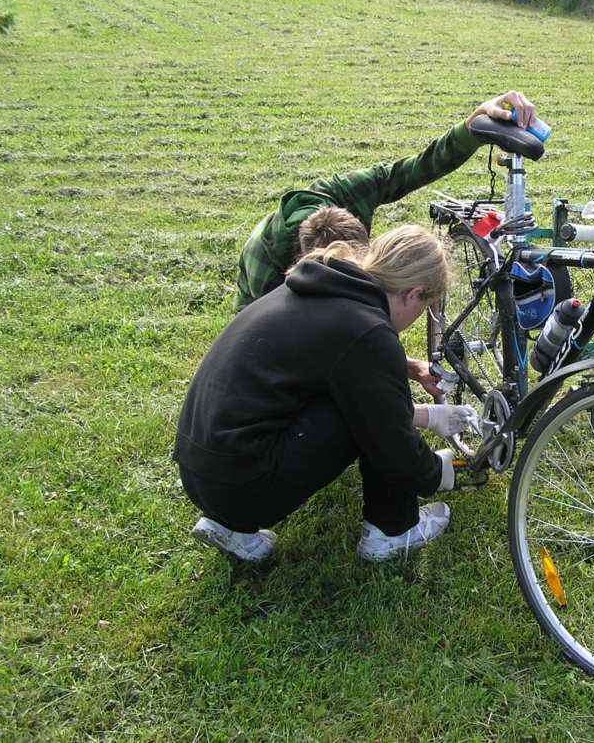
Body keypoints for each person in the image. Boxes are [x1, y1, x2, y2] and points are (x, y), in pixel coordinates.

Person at [174, 225, 478, 563]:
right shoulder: (368, 332)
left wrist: (407, 375)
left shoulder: (322, 283)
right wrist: (437, 472)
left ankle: (231, 527)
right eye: (427, 306)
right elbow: (390, 440)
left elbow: (332, 357)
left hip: (199, 470)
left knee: (365, 397)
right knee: (372, 416)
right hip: (242, 487)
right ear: (413, 294)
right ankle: (393, 529)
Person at [233, 90, 537, 394]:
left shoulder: (345, 194)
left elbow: (418, 167)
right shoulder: (269, 284)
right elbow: (315, 351)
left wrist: (475, 124)